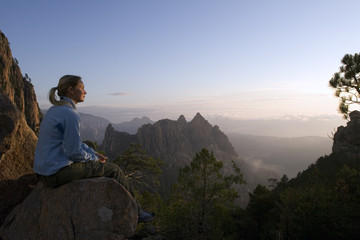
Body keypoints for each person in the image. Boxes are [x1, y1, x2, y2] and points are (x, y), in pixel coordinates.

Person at [34, 75, 155, 223]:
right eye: (82, 88)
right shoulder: (70, 114)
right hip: (55, 174)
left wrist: (92, 153)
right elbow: (74, 152)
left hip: (43, 170)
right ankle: (138, 212)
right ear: (71, 90)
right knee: (114, 170)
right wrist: (95, 159)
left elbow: (74, 143)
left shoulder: (54, 110)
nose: (85, 92)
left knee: (90, 145)